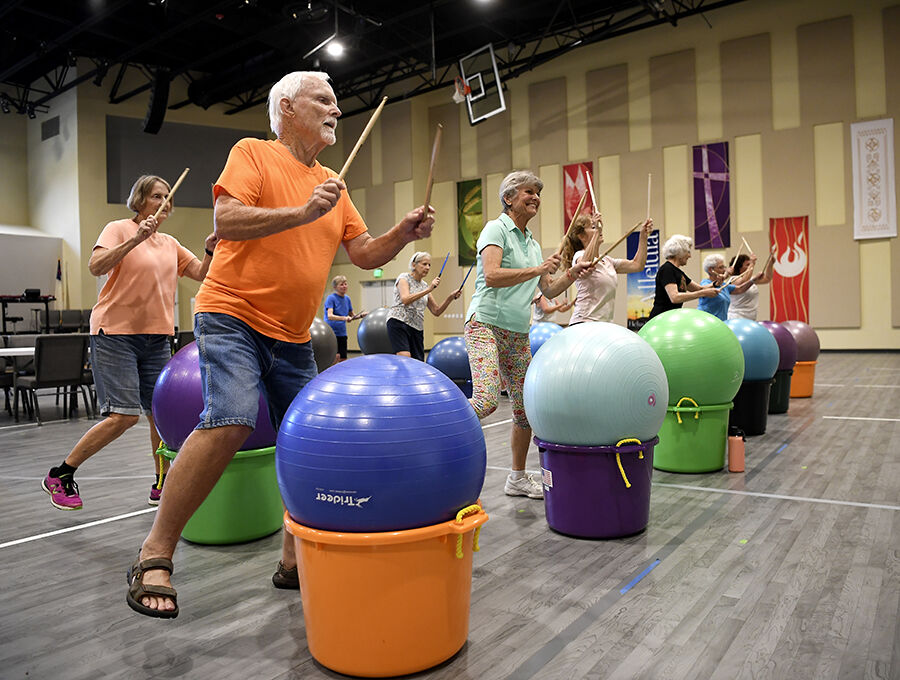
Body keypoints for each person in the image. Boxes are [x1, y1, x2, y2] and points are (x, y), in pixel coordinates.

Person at [126, 71, 435, 619]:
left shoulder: (332, 185)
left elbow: (364, 253)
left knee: (309, 437)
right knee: (233, 418)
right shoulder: (254, 153)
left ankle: (292, 561)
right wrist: (303, 211)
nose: (336, 110)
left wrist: (401, 235)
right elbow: (228, 217)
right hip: (231, 315)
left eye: (337, 103)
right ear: (288, 107)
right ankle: (154, 553)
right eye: (325, 100)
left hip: (292, 335)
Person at [42, 175, 216, 512]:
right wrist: (136, 239)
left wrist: (210, 248)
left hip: (156, 337)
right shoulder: (118, 228)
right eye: (155, 196)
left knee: (159, 415)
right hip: (116, 334)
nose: (163, 201)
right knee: (123, 416)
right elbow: (96, 266)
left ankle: (162, 481)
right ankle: (61, 474)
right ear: (139, 201)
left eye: (167, 196)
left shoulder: (169, 243)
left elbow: (200, 272)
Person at [465, 170, 593, 500]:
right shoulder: (496, 229)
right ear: (509, 198)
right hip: (485, 325)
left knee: (526, 411)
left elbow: (547, 288)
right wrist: (538, 270)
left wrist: (571, 274)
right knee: (487, 400)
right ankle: (434, 426)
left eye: (538, 192)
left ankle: (517, 478)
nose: (535, 196)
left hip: (518, 332)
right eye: (528, 191)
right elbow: (492, 275)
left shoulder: (532, 244)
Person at [560, 212, 653, 324]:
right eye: (593, 227)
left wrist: (643, 236)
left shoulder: (608, 261)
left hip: (604, 324)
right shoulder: (579, 255)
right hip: (584, 322)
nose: (599, 229)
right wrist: (597, 232)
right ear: (582, 236)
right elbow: (585, 263)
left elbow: (637, 265)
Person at [386, 251, 462, 360]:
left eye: (429, 265)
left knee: (418, 362)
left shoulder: (425, 285)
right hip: (399, 322)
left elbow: (436, 311)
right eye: (424, 264)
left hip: (417, 327)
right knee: (405, 358)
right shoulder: (404, 278)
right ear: (414, 265)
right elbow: (405, 299)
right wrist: (428, 290)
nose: (427, 267)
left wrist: (450, 297)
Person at [647, 234, 719, 319]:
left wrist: (716, 284)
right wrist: (703, 294)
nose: (690, 256)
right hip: (660, 318)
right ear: (679, 252)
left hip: (670, 317)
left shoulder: (679, 272)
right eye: (688, 252)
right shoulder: (667, 269)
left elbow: (699, 289)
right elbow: (675, 297)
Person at [697, 252, 757, 320]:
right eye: (721, 267)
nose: (724, 270)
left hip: (721, 323)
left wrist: (753, 280)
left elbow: (740, 289)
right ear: (711, 270)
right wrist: (726, 275)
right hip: (706, 322)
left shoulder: (724, 285)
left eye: (724, 267)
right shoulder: (705, 283)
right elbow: (706, 290)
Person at [324, 275, 365, 363]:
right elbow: (330, 316)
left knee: (343, 358)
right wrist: (344, 318)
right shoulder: (331, 298)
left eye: (345, 284)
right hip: (332, 332)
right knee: (335, 357)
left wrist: (361, 315)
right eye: (341, 284)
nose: (344, 286)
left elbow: (352, 316)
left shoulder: (347, 299)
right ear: (335, 287)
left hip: (342, 332)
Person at [728, 248, 775, 320]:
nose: (750, 266)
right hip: (736, 318)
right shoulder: (733, 279)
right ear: (739, 268)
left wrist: (770, 263)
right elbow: (743, 282)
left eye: (749, 264)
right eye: (747, 265)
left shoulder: (751, 279)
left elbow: (767, 278)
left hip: (750, 318)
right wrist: (752, 263)